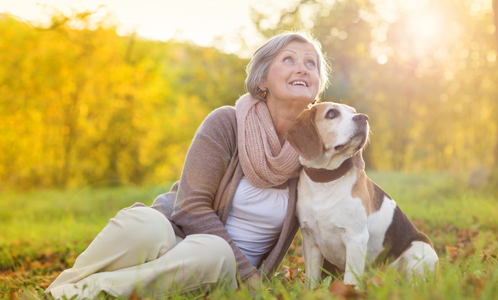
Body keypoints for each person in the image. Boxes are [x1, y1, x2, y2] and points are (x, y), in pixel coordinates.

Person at [45, 31, 330, 299]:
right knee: (143, 222)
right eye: (289, 59)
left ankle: (84, 293)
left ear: (317, 84)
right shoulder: (228, 123)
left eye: (311, 63)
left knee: (213, 252)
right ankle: (62, 291)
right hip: (176, 240)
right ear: (262, 80)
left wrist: (251, 279)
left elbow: (346, 212)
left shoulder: (322, 144)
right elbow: (191, 206)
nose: (302, 68)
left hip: (226, 272)